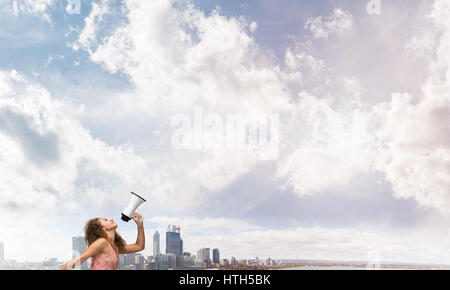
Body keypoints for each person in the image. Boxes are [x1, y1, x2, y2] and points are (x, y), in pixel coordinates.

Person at [60, 213, 145, 270]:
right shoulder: (102, 242)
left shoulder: (115, 246)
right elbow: (81, 259)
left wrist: (139, 224)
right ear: (100, 229)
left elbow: (139, 246)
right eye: (106, 220)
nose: (111, 219)